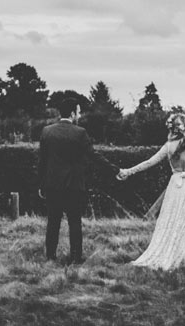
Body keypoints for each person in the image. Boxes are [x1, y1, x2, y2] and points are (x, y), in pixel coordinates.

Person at [116, 111, 185, 270]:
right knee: (183, 225)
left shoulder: (168, 147)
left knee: (169, 223)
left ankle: (168, 257)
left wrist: (128, 171)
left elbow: (149, 162)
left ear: (172, 129)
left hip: (175, 186)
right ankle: (174, 260)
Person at [37, 100, 116, 264]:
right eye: (78, 112)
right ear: (73, 113)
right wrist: (115, 170)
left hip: (52, 185)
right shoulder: (80, 133)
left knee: (53, 222)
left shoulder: (47, 131)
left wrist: (41, 184)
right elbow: (93, 155)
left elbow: (42, 161)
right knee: (74, 223)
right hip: (73, 185)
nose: (79, 115)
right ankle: (75, 257)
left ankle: (50, 256)